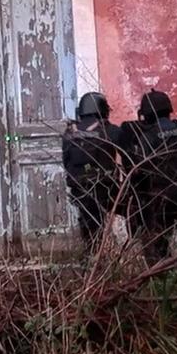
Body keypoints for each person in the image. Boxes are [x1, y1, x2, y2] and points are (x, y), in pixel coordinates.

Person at [121, 89, 177, 263]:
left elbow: (139, 171)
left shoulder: (148, 137)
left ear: (147, 114)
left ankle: (164, 284)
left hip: (160, 199)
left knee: (157, 251)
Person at [62, 91, 126, 247]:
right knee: (133, 210)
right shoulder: (109, 130)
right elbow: (128, 154)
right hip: (107, 189)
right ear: (102, 109)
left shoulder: (70, 132)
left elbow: (66, 161)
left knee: (90, 233)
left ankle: (92, 262)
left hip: (81, 191)